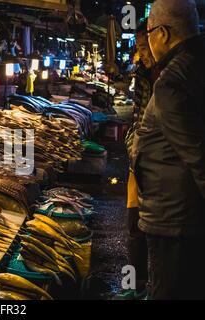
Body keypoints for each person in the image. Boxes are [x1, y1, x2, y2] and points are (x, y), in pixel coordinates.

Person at [132, 0, 205, 299]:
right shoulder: (196, 63)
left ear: (162, 33)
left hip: (176, 222)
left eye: (149, 33)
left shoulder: (172, 81)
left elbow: (199, 157)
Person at [116, 19, 158, 300]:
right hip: (138, 161)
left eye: (143, 47)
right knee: (133, 226)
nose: (139, 54)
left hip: (158, 167)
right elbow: (138, 117)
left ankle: (152, 288)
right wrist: (133, 147)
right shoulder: (144, 73)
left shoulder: (174, 76)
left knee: (156, 231)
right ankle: (134, 285)